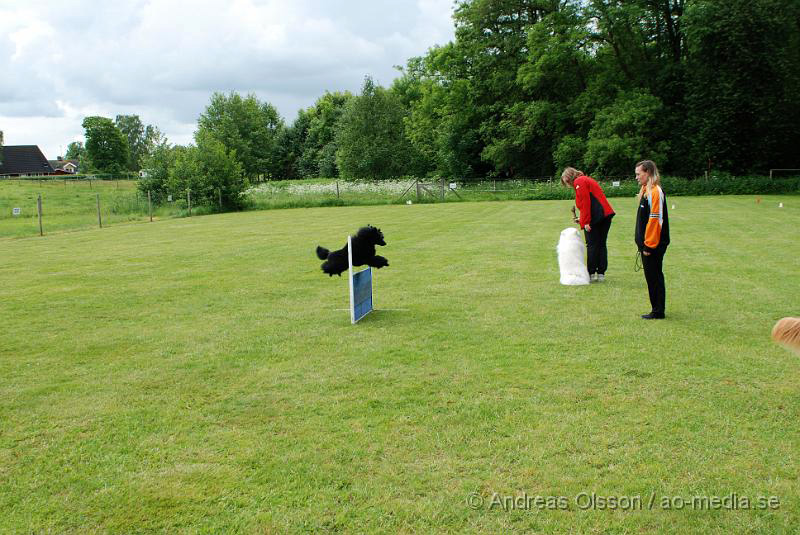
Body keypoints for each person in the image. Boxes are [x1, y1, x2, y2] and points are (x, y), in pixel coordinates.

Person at [560, 167, 615, 282]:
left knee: (592, 245)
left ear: (569, 177)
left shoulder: (579, 182)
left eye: (567, 182)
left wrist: (586, 222)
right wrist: (582, 219)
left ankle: (590, 273)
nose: (569, 185)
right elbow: (592, 203)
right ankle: (601, 274)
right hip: (604, 215)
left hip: (598, 217)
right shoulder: (585, 179)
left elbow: (586, 203)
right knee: (601, 244)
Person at [634, 160, 670, 319]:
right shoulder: (646, 191)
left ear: (647, 172)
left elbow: (655, 220)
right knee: (651, 277)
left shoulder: (655, 192)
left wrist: (648, 246)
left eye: (638, 174)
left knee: (654, 277)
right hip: (647, 245)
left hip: (653, 246)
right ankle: (656, 308)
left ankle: (658, 311)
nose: (636, 177)